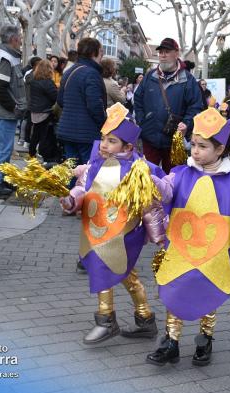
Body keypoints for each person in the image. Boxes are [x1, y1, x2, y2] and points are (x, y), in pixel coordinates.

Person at [147, 107, 230, 366]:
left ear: (220, 150)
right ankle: (170, 343)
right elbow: (167, 190)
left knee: (208, 292)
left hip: (215, 252)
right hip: (181, 249)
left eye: (202, 146)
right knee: (175, 291)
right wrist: (150, 179)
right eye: (193, 144)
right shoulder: (182, 172)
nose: (195, 151)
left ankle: (205, 339)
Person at [59, 104, 165, 343]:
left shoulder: (137, 171)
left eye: (112, 141)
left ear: (127, 146)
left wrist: (159, 234)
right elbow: (82, 188)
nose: (104, 145)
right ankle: (144, 319)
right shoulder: (96, 164)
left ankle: (108, 321)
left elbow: (148, 204)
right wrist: (71, 201)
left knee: (111, 270)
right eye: (103, 139)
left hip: (125, 233)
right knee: (120, 273)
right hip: (98, 230)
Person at [133, 37, 202, 173]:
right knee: (146, 178)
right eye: (161, 52)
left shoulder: (188, 79)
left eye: (167, 51)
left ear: (176, 53)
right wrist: (142, 121)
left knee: (173, 180)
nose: (163, 55)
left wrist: (187, 124)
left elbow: (195, 106)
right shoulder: (150, 76)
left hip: (174, 140)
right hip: (150, 137)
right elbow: (138, 99)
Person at [0, 25, 27, 197]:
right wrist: (13, 107)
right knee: (2, 147)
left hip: (7, 111)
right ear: (13, 39)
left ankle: (0, 179)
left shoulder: (8, 57)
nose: (21, 40)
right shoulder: (5, 58)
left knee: (4, 147)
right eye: (20, 37)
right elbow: (0, 87)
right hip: (5, 112)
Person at [57, 37, 107, 166]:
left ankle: (71, 187)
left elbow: (60, 100)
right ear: (93, 53)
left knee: (72, 171)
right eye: (101, 52)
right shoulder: (91, 73)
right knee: (88, 172)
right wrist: (104, 124)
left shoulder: (69, 71)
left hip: (67, 130)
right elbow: (95, 105)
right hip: (87, 134)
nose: (102, 55)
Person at [29, 60, 58, 159]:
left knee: (35, 135)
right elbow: (56, 97)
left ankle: (31, 154)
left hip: (34, 112)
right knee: (44, 136)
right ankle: (44, 155)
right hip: (45, 112)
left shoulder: (34, 81)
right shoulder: (48, 83)